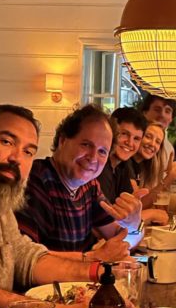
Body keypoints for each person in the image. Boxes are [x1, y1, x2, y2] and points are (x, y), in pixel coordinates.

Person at [0, 104, 129, 308]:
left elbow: (24, 255)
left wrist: (99, 272)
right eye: (7, 142)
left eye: (28, 151)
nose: (16, 158)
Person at [16, 104, 146, 253]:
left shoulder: (90, 186)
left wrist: (134, 224)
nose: (93, 158)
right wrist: (92, 263)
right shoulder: (35, 181)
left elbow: (124, 242)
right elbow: (27, 260)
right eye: (86, 145)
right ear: (63, 141)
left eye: (102, 152)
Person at [97, 107, 146, 203]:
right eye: (124, 134)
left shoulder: (123, 165)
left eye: (136, 138)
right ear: (111, 131)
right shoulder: (100, 164)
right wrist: (151, 213)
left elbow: (129, 205)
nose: (130, 143)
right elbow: (107, 214)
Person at [132, 120, 176, 206]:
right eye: (148, 137)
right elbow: (138, 206)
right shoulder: (126, 164)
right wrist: (168, 179)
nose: (152, 144)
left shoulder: (146, 166)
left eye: (158, 142)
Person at [140, 93, 176, 167]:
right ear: (145, 112)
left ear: (171, 118)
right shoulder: (134, 140)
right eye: (157, 109)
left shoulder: (169, 149)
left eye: (167, 111)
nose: (162, 115)